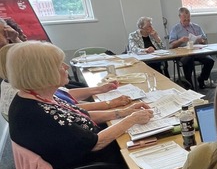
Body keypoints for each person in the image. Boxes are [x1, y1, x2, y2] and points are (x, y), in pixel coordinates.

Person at [8, 41, 154, 169]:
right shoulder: (34, 114)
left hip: (87, 156)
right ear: (41, 72)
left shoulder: (39, 96)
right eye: (59, 64)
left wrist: (123, 113)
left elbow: (80, 114)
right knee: (151, 148)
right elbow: (95, 143)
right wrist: (131, 119)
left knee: (147, 136)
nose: (66, 67)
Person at [0, 44, 132, 119]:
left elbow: (68, 100)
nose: (66, 66)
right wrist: (116, 109)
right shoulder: (36, 106)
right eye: (58, 64)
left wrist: (100, 91)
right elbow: (73, 113)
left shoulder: (34, 94)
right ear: (39, 70)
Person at [169, 7, 214, 90]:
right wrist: (180, 40)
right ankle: (189, 85)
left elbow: (205, 40)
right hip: (183, 53)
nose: (186, 21)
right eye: (184, 20)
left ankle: (201, 79)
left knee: (210, 61)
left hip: (196, 51)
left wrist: (201, 40)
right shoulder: (175, 29)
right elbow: (171, 45)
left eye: (188, 19)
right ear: (180, 17)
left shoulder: (196, 27)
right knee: (188, 61)